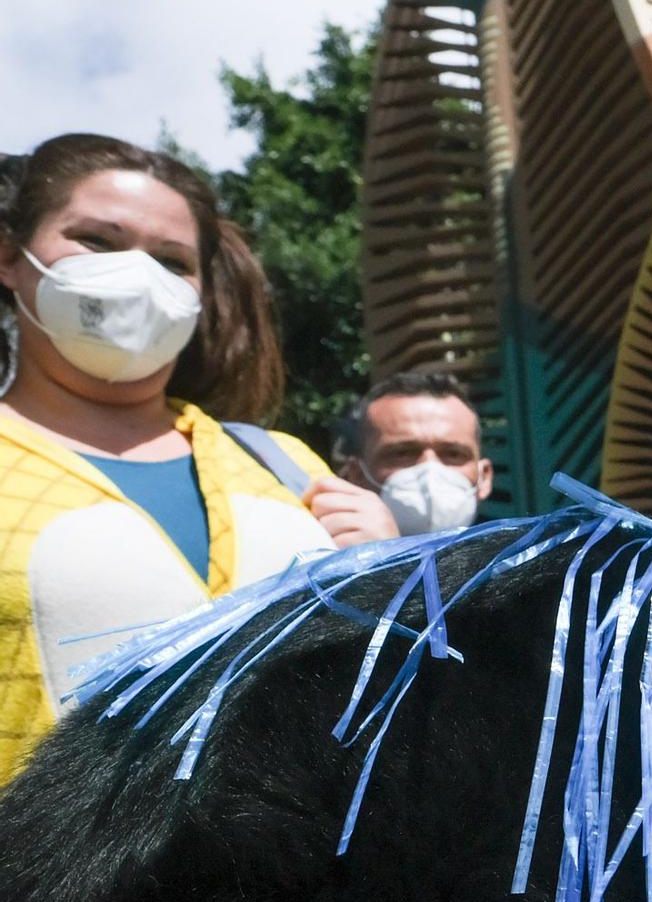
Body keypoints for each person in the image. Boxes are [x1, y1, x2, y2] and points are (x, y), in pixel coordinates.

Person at [0, 134, 398, 782]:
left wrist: (396, 574)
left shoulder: (283, 463)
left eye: (172, 261)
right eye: (96, 241)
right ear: (10, 257)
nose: (137, 277)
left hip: (303, 872)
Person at [337, 371, 491, 535]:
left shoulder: (516, 558)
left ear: (484, 477)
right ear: (356, 476)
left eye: (453, 454)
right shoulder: (319, 553)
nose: (430, 473)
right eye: (402, 454)